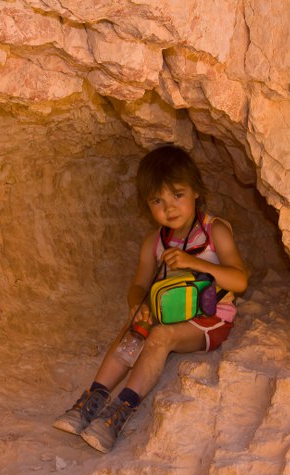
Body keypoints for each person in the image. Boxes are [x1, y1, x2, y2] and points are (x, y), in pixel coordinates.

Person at [53, 145, 249, 452]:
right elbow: (139, 284)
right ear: (147, 205)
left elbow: (240, 280)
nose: (169, 207)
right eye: (158, 200)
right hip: (169, 310)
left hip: (209, 319)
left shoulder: (215, 231)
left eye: (177, 195)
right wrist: (138, 306)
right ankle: (92, 400)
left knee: (160, 336)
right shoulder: (153, 242)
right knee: (134, 330)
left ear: (196, 191)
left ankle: (119, 413)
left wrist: (194, 262)